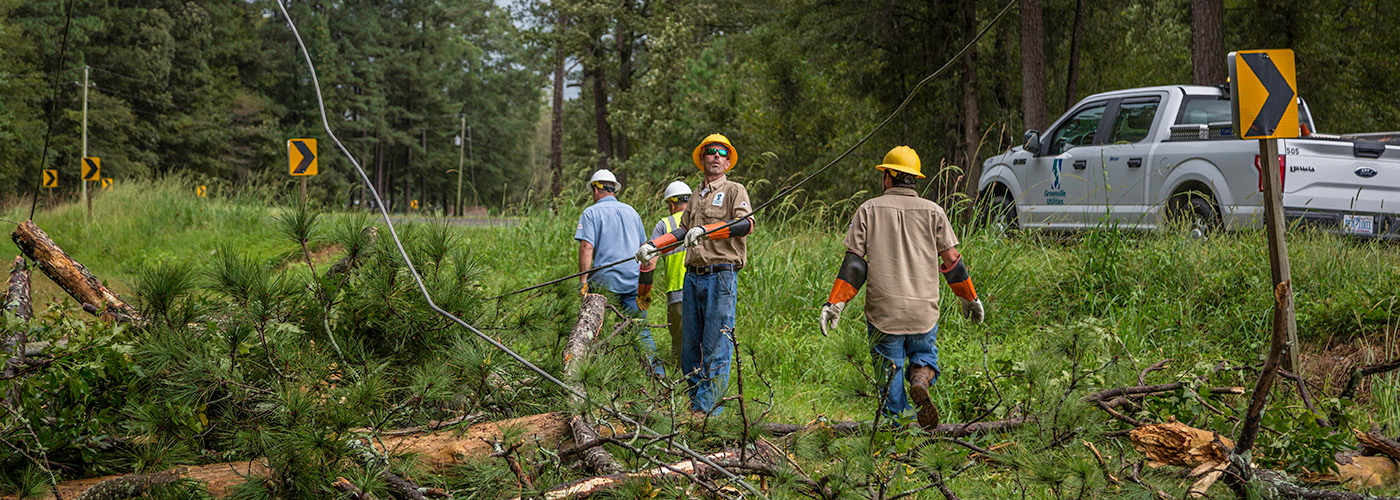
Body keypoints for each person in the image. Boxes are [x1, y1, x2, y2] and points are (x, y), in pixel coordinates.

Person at [817, 146, 985, 429]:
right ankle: (921, 377)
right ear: (915, 179)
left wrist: (835, 303)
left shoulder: (868, 209)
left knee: (890, 377)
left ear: (888, 178)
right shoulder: (934, 212)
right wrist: (969, 298)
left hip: (885, 313)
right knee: (925, 355)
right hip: (923, 311)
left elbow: (855, 264)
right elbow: (952, 260)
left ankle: (899, 430)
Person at [636, 134, 754, 416]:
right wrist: (653, 247)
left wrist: (708, 231)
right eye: (710, 152)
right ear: (702, 159)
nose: (715, 156)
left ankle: (707, 413)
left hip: (721, 275)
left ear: (727, 161)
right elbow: (681, 231)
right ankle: (694, 407)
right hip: (693, 277)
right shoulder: (696, 195)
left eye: (721, 153)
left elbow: (746, 224)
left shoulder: (735, 190)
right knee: (690, 349)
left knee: (716, 345)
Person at [575, 169, 664, 377]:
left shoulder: (591, 213)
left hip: (604, 282)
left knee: (595, 328)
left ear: (596, 189)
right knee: (640, 330)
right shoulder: (632, 212)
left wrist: (583, 281)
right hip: (634, 280)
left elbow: (587, 247)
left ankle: (594, 373)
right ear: (614, 189)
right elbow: (645, 248)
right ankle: (657, 374)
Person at [646, 181, 693, 366]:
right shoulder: (703, 220)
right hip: (705, 286)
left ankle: (678, 382)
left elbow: (650, 260)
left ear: (672, 204)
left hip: (677, 291)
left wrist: (644, 292)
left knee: (680, 342)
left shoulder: (665, 224)